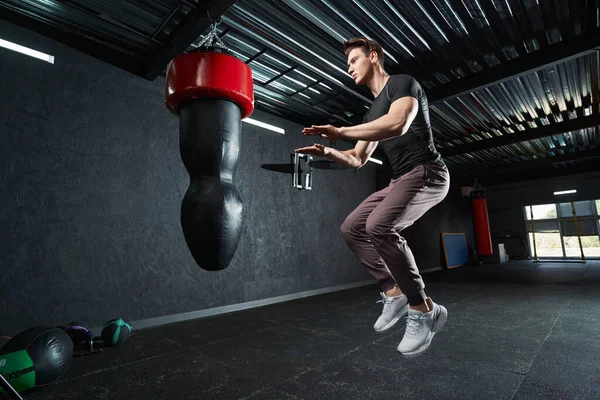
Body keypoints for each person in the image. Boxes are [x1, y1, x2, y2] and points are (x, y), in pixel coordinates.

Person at [295, 37, 450, 357]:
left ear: (374, 56)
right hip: (399, 180)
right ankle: (393, 292)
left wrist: (340, 131)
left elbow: (397, 123)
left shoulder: (402, 84)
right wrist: (329, 152)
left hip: (428, 173)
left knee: (378, 225)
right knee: (352, 227)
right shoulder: (369, 114)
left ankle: (423, 310)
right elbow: (357, 159)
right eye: (348, 62)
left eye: (353, 60)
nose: (348, 67)